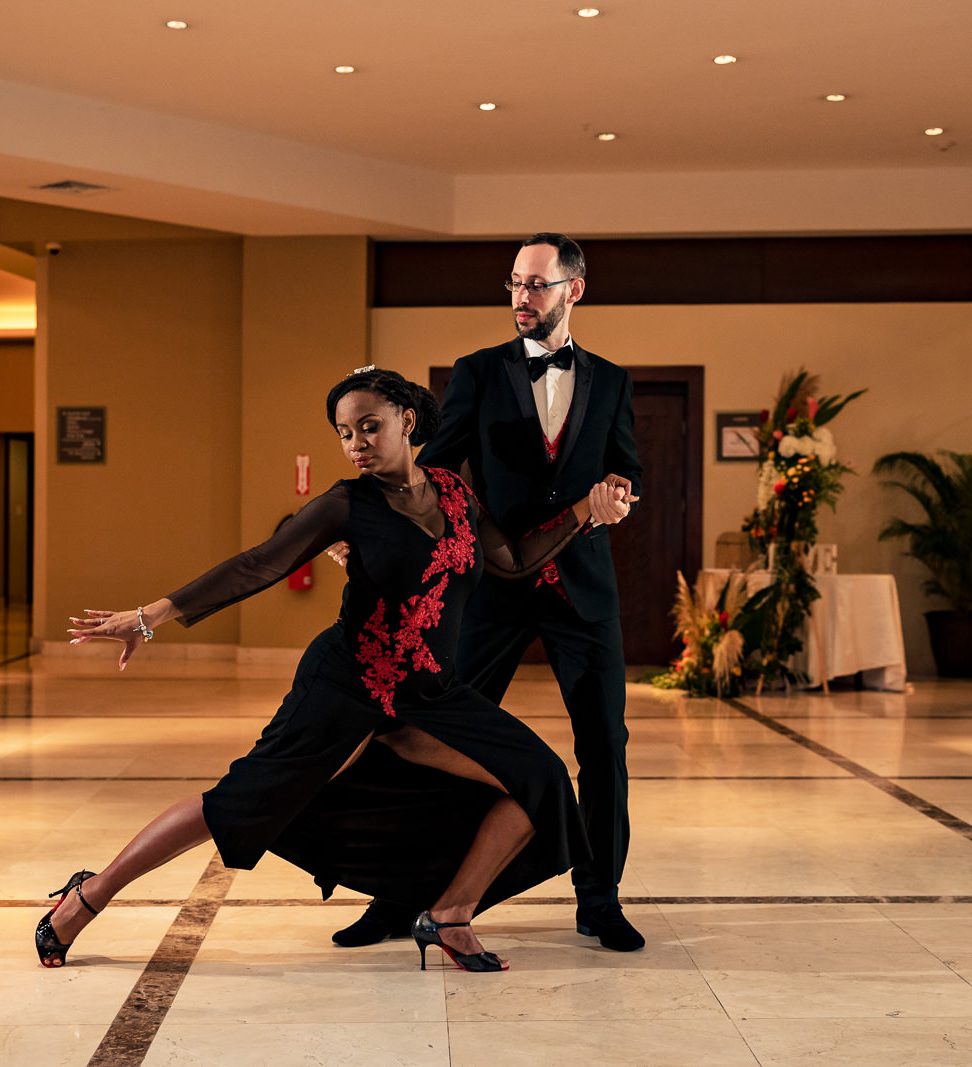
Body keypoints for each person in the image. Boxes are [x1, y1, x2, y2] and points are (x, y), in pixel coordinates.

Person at [38, 368, 632, 973]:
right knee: (236, 805)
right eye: (345, 434)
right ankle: (87, 896)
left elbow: (513, 560)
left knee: (542, 779)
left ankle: (450, 915)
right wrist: (151, 615)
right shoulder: (347, 505)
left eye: (369, 427)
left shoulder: (455, 492)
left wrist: (587, 506)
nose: (357, 445)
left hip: (428, 693)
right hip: (348, 685)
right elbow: (257, 565)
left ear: (407, 420)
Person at [333, 233, 646, 953]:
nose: (520, 298)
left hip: (583, 590)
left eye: (536, 285)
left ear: (574, 290)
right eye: (513, 284)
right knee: (433, 737)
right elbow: (429, 470)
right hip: (490, 592)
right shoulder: (476, 373)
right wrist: (375, 527)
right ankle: (401, 894)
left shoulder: (615, 381)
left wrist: (618, 495)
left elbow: (625, 469)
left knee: (603, 745)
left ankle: (599, 899)